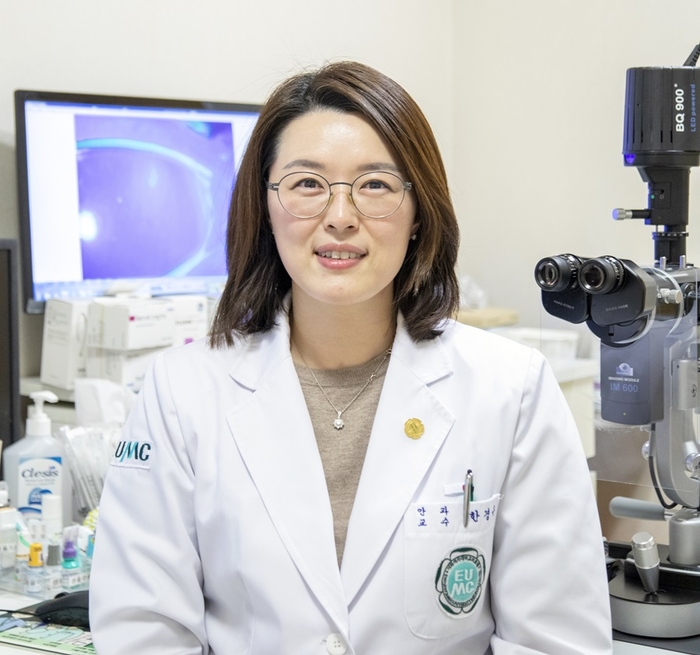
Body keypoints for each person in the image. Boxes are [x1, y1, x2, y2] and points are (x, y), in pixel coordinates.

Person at [89, 61, 613, 654]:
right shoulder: (183, 390)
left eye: (376, 185)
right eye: (307, 184)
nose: (340, 217)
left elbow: (556, 640)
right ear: (265, 207)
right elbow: (144, 631)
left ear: (418, 213)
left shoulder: (510, 389)